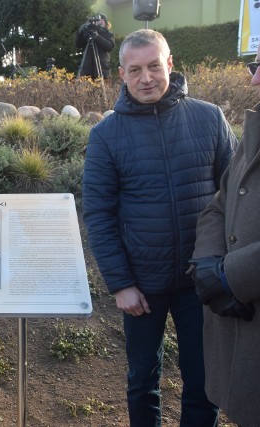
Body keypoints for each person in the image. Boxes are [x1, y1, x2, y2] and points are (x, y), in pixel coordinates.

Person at [82, 29, 236, 426]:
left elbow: (234, 195)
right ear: (121, 74)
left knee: (204, 381)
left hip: (202, 277)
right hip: (141, 283)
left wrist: (225, 267)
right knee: (142, 380)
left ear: (170, 64)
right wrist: (120, 284)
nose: (146, 78)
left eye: (154, 66)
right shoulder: (105, 136)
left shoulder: (209, 118)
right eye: (135, 70)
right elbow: (98, 215)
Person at [189, 48, 260, 426]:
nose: (254, 79)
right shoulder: (255, 131)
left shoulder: (208, 117)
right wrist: (207, 262)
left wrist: (231, 275)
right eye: (256, 66)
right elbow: (220, 201)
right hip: (239, 330)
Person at [75, 13, 115, 79]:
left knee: (100, 89)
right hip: (87, 70)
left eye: (102, 20)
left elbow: (109, 46)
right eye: (99, 20)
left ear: (106, 23)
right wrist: (80, 32)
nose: (100, 21)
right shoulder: (88, 34)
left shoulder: (109, 34)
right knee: (85, 89)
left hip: (102, 69)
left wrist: (97, 37)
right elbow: (78, 44)